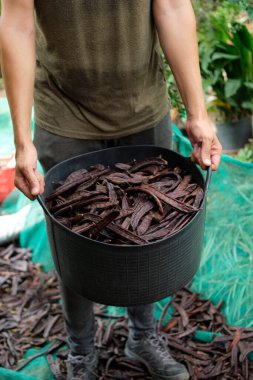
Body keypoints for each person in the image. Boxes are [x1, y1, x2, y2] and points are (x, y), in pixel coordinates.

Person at [0, 1, 222, 379]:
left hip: (142, 106)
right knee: (76, 240)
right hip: (64, 112)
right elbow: (17, 22)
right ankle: (81, 351)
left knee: (149, 234)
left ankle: (142, 336)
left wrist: (197, 113)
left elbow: (171, 5)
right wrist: (23, 140)